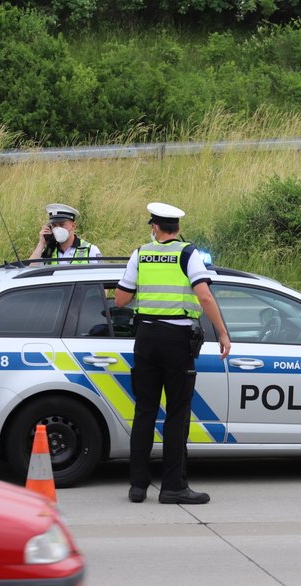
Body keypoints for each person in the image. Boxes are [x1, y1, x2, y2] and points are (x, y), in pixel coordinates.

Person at [115, 202, 231, 504]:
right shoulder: (188, 254)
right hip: (176, 339)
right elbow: (204, 295)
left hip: (145, 338)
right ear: (177, 229)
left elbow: (120, 299)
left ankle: (137, 487)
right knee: (177, 414)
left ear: (155, 227)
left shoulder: (140, 254)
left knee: (144, 412)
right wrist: (222, 332)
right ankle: (173, 487)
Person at [29, 203, 102, 264]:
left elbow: (100, 278)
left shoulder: (90, 250)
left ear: (73, 226)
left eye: (62, 225)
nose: (57, 229)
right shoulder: (48, 252)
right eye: (54, 225)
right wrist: (41, 243)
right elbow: (29, 272)